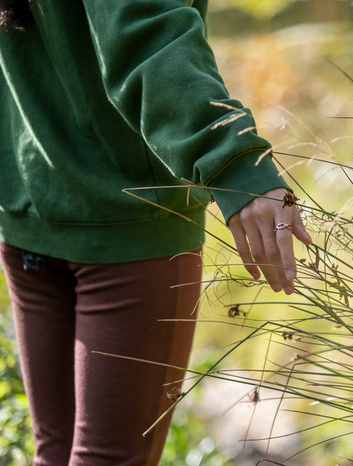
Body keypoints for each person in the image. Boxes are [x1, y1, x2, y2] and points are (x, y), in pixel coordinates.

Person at [0, 0, 312, 464]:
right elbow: (144, 26)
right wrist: (234, 163)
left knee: (57, 453)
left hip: (32, 202)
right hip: (127, 217)